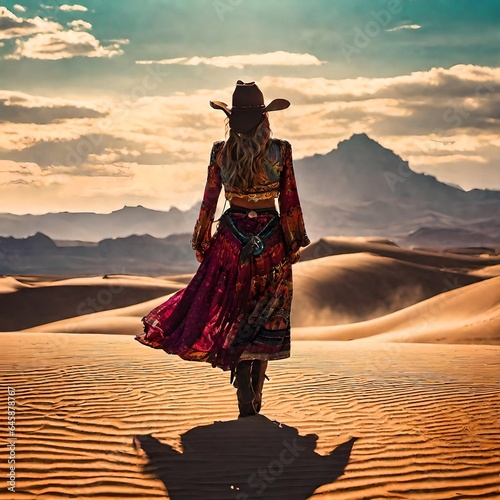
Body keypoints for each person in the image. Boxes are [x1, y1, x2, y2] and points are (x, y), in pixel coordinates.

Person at [135, 80, 310, 417]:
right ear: (264, 118)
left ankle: (243, 377)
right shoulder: (281, 150)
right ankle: (253, 383)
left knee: (235, 308)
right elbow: (289, 201)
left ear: (232, 119)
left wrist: (202, 241)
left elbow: (209, 201)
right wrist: (293, 242)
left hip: (231, 238)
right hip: (270, 238)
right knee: (267, 309)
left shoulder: (220, 151)